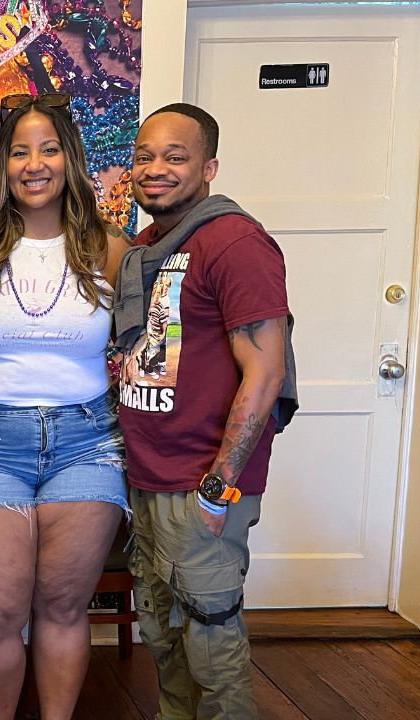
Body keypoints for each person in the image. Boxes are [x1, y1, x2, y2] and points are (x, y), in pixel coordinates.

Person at [0, 93, 132, 720]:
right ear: (3, 164)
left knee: (64, 607)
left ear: (70, 159)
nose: (34, 164)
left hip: (87, 441)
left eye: (49, 150)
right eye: (20, 151)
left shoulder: (109, 248)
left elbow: (145, 349)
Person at [114, 103, 294, 719]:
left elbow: (265, 372)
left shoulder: (235, 242)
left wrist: (219, 488)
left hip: (202, 481)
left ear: (209, 167)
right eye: (144, 157)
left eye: (175, 157)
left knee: (211, 641)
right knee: (164, 636)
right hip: (148, 475)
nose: (155, 169)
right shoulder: (145, 248)